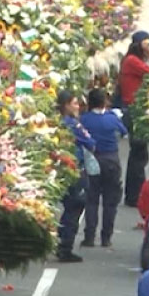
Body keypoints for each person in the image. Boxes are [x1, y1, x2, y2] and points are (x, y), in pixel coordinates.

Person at [80, 88, 126, 249]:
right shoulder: (112, 118)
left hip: (93, 159)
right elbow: (123, 132)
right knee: (110, 201)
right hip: (111, 160)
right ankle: (106, 237)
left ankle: (89, 236)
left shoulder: (84, 119)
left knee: (92, 199)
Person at [119, 31, 149, 207]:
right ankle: (134, 196)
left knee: (138, 154)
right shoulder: (133, 61)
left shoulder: (132, 61)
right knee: (139, 155)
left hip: (134, 109)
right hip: (134, 110)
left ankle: (133, 194)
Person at [56, 91, 93, 263]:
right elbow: (90, 142)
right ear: (66, 105)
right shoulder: (73, 125)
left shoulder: (56, 123)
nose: (78, 107)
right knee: (75, 207)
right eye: (75, 103)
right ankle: (65, 247)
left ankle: (60, 241)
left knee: (68, 206)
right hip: (75, 169)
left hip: (61, 169)